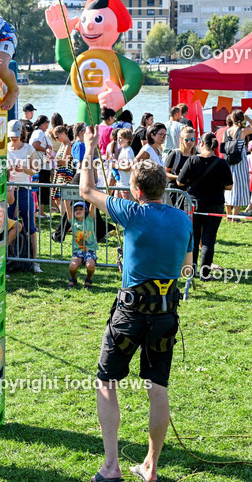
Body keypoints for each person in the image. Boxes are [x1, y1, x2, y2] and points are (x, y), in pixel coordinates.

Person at [77, 125, 193, 482]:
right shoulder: (183, 219)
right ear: (163, 188)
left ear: (137, 191)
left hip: (130, 314)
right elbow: (187, 268)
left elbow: (86, 190)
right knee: (157, 387)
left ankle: (111, 467)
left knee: (106, 382)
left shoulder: (131, 212)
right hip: (165, 314)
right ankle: (150, 467)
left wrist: (89, 148)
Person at [177, 133, 233, 280]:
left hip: (194, 205)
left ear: (201, 143)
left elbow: (180, 182)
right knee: (209, 240)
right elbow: (229, 186)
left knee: (194, 239)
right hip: (215, 204)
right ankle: (205, 274)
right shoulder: (222, 163)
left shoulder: (192, 160)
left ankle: (192, 271)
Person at [7, 120, 39, 271]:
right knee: (7, 224)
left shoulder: (28, 148)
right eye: (11, 135)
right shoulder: (4, 148)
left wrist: (25, 169)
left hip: (25, 189)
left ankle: (35, 261)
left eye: (16, 135)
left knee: (30, 224)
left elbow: (35, 170)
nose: (13, 138)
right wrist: (8, 170)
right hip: (9, 189)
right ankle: (8, 259)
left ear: (21, 133)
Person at [222, 111, 252, 220]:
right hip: (240, 160)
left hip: (229, 161)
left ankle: (228, 215)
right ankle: (235, 216)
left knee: (228, 187)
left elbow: (223, 147)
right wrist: (247, 118)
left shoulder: (226, 131)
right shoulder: (242, 131)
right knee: (238, 187)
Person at [67, 201, 97, 288]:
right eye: (76, 210)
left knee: (90, 266)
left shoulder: (89, 220)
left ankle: (88, 279)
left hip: (89, 250)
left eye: (81, 209)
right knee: (72, 267)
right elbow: (67, 207)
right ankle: (73, 279)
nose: (78, 211)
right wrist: (65, 199)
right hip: (78, 251)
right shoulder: (73, 221)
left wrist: (92, 197)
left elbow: (92, 205)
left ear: (86, 211)